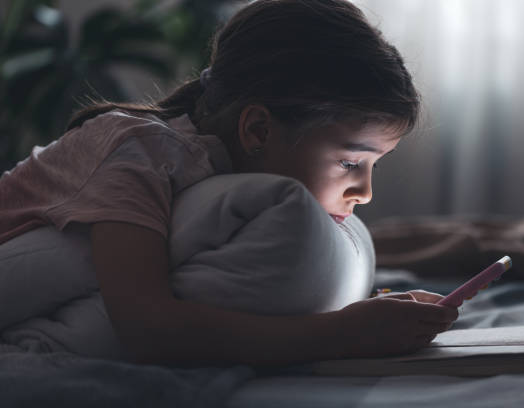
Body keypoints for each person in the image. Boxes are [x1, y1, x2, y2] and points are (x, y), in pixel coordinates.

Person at [0, 0, 458, 366]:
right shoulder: (139, 154)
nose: (366, 192)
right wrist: (345, 333)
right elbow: (146, 329)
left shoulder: (226, 180)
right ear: (257, 131)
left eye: (375, 165)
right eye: (350, 162)